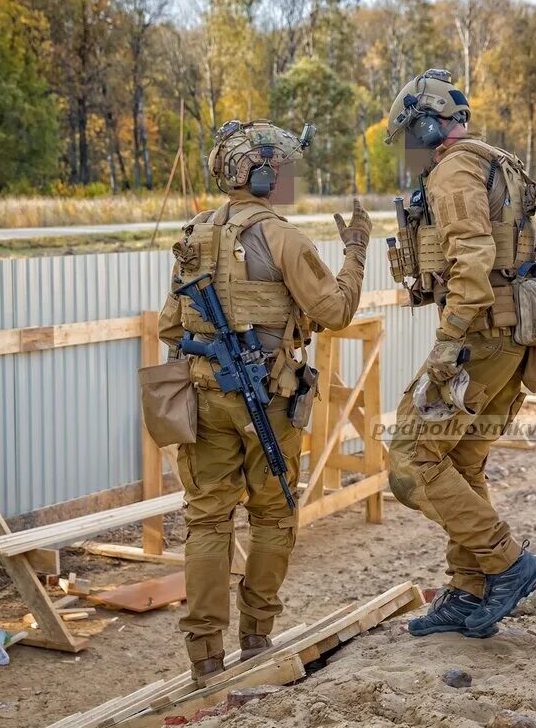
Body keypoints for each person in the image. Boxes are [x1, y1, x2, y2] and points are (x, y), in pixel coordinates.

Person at [158, 119, 370, 683]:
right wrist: (356, 251)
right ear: (259, 172)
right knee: (274, 513)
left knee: (207, 522)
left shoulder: (194, 234)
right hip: (267, 402)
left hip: (205, 398)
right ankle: (255, 636)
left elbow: (170, 326)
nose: (291, 180)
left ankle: (204, 653)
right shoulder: (284, 238)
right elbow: (335, 312)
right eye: (285, 170)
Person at [382, 69, 536, 640]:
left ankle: (507, 563)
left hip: (480, 336)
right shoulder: (495, 160)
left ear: (431, 126)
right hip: (513, 336)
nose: (408, 152)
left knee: (412, 459)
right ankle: (469, 587)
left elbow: (474, 262)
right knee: (460, 462)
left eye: (411, 135)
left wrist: (449, 342)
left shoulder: (455, 167)